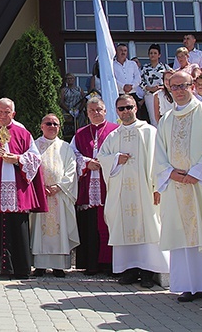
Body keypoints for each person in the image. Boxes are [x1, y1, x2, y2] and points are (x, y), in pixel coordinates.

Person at [154, 71, 202, 307]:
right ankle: (191, 285)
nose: (178, 90)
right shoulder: (166, 119)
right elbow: (159, 154)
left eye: (182, 85)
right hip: (177, 186)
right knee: (183, 236)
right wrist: (170, 173)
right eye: (173, 87)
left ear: (193, 86)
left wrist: (198, 172)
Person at [98, 95, 169, 288]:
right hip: (122, 193)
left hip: (145, 190)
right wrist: (115, 159)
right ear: (117, 111)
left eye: (129, 107)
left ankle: (148, 272)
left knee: (149, 227)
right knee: (124, 226)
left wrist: (157, 188)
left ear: (136, 108)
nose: (125, 112)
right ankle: (129, 270)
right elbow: (101, 157)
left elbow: (159, 161)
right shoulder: (114, 135)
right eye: (121, 109)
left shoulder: (149, 132)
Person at [0, 98, 48, 279]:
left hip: (17, 190)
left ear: (13, 114)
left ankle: (20, 268)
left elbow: (35, 158)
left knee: (17, 228)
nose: (3, 115)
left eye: (7, 112)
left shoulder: (24, 134)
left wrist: (18, 159)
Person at [70, 97, 119, 275]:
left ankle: (111, 264)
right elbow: (72, 156)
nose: (95, 113)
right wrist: (85, 163)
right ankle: (91, 264)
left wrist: (106, 162)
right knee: (90, 226)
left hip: (109, 186)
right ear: (87, 113)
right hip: (89, 186)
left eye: (99, 110)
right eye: (91, 111)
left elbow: (122, 154)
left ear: (105, 111)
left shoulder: (116, 131)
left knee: (109, 226)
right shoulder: (80, 134)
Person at [31, 114, 79, 278]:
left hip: (60, 195)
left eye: (55, 124)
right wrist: (40, 187)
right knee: (39, 229)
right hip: (41, 195)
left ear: (59, 127)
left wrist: (59, 186)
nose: (52, 126)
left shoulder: (65, 147)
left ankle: (59, 266)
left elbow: (71, 170)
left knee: (60, 230)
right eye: (48, 123)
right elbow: (29, 167)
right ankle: (40, 266)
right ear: (41, 126)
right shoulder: (34, 145)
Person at [141, 44, 171, 125]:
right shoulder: (145, 68)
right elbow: (140, 81)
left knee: (164, 114)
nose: (152, 55)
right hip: (150, 95)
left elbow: (171, 79)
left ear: (159, 55)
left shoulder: (165, 67)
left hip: (162, 94)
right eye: (151, 53)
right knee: (153, 118)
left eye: (155, 53)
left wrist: (161, 87)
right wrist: (149, 88)